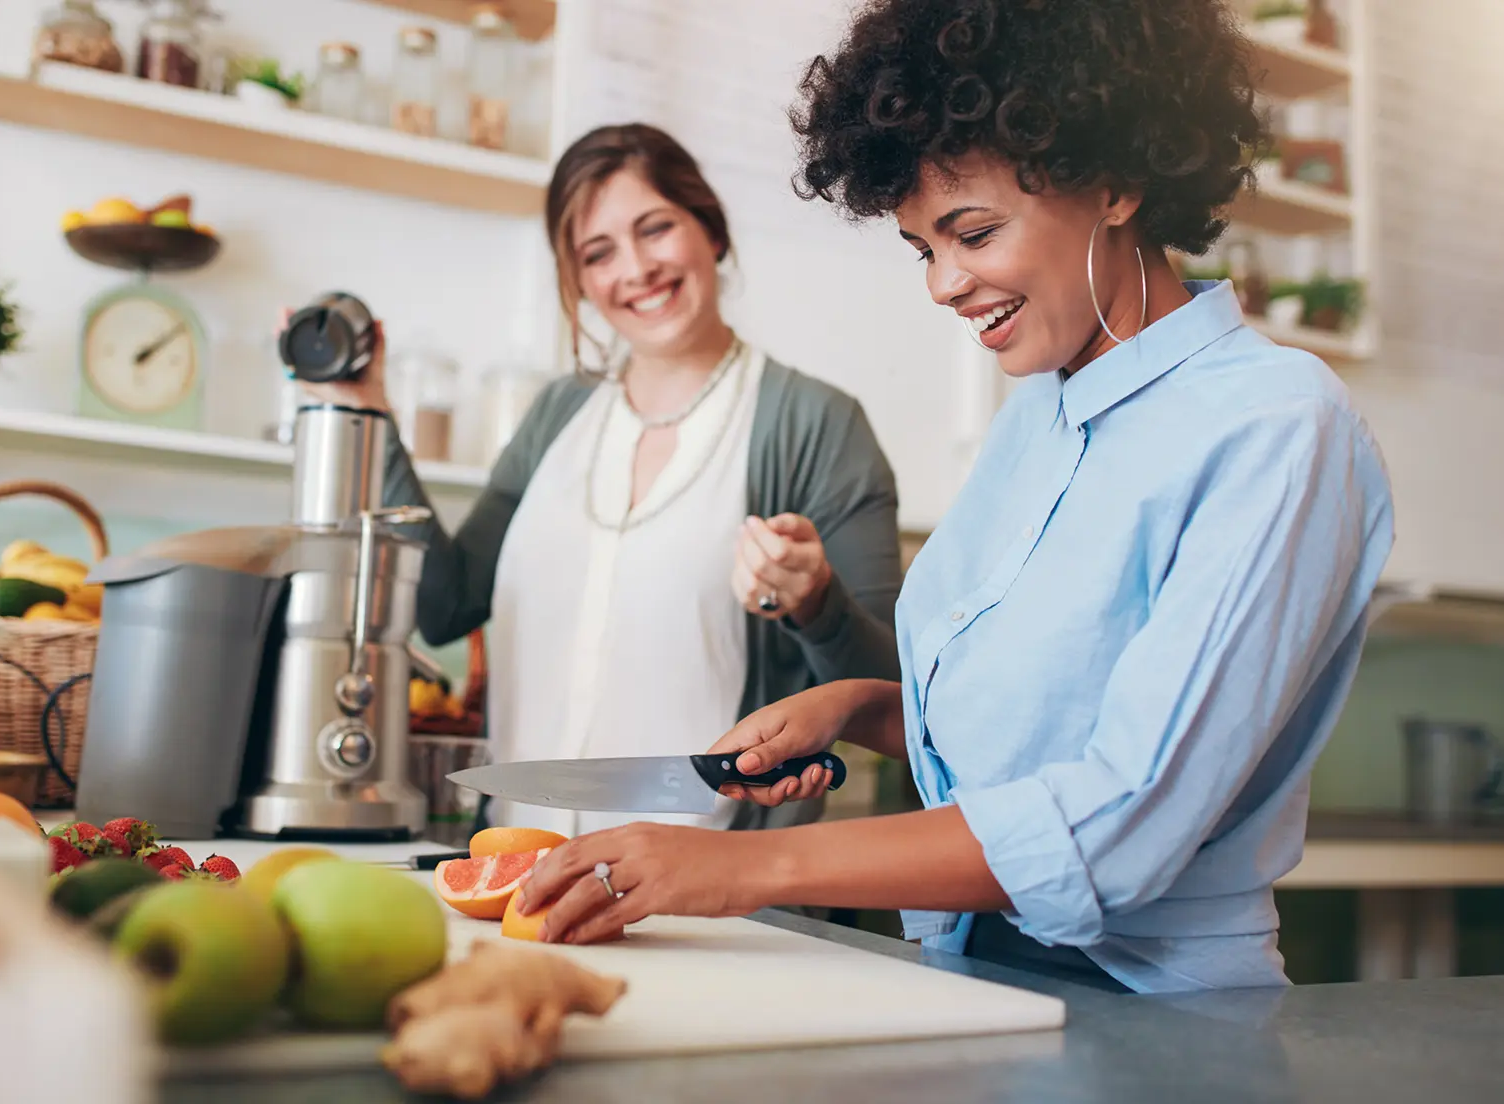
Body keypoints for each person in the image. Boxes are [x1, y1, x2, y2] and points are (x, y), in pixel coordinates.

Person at [517, 0, 1396, 994]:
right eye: (922, 247)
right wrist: (856, 708)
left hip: (1153, 1012)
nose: (942, 284)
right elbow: (1029, 734)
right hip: (973, 969)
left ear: (1116, 182)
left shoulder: (1276, 427)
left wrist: (738, 866)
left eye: (972, 232)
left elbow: (1120, 819)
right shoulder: (1036, 416)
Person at [321, 123, 904, 839]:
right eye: (597, 253)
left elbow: (889, 689)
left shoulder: (816, 424)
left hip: (715, 894)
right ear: (581, 284)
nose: (635, 268)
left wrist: (817, 603)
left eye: (655, 229)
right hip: (521, 864)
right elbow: (443, 605)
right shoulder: (558, 415)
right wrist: (369, 418)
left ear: (709, 231)